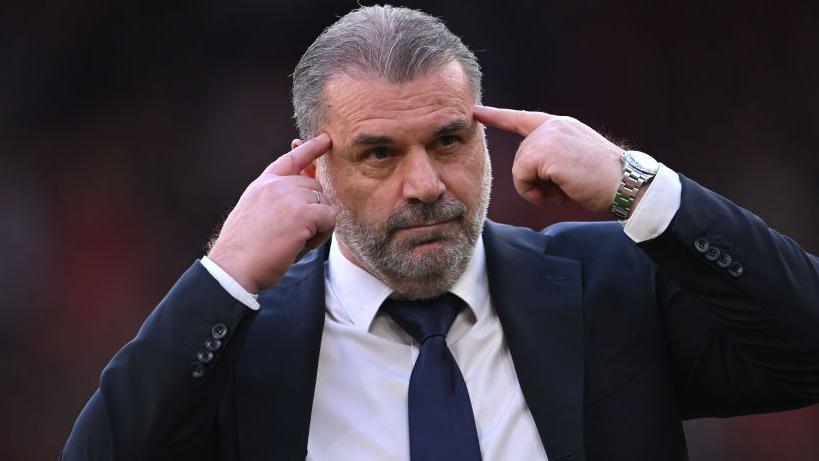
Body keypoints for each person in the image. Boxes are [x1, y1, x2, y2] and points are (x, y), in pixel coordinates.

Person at [61, 5, 819, 461]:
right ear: (313, 173)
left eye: (449, 141)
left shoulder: (608, 285)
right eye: (379, 153)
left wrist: (636, 184)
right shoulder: (242, 343)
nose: (424, 183)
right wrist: (223, 273)